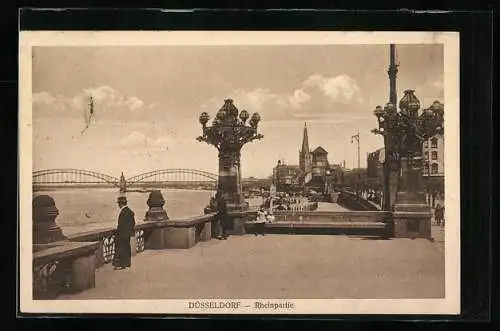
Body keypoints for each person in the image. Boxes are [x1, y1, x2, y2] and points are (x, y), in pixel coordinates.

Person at [113, 196, 136, 270]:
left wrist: (118, 232)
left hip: (122, 234)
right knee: (126, 248)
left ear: (120, 204)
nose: (118, 205)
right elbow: (133, 223)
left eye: (119, 204)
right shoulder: (130, 211)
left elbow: (121, 225)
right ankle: (127, 263)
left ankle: (121, 264)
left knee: (121, 249)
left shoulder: (123, 212)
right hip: (128, 234)